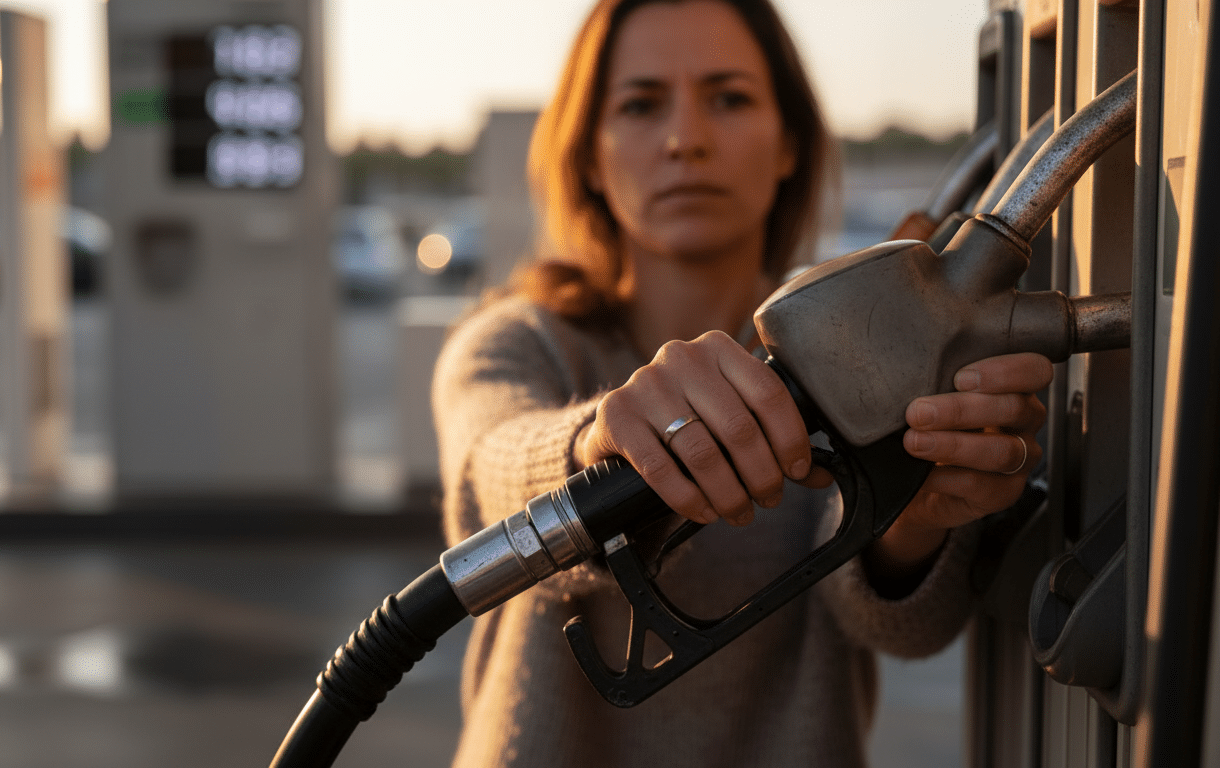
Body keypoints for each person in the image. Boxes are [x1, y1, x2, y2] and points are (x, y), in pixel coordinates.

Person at [431, 0, 1051, 765]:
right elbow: (486, 473)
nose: (686, 139)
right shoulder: (512, 342)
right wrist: (599, 444)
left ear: (789, 142)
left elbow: (898, 625)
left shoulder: (855, 350)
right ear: (590, 153)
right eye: (640, 104)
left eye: (729, 97)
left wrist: (917, 512)